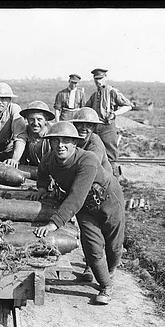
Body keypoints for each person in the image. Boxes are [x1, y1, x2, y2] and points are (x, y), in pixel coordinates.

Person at [32, 121, 125, 305]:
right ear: (50, 143)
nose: (61, 145)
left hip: (110, 201)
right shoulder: (49, 159)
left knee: (114, 246)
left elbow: (76, 195)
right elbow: (42, 172)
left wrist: (54, 223)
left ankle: (111, 270)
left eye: (66, 140)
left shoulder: (88, 159)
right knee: (92, 247)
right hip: (85, 208)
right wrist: (42, 187)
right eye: (56, 140)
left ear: (75, 143)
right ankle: (106, 285)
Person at [70, 107, 113, 283]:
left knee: (103, 231)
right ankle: (90, 264)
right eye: (81, 124)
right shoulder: (75, 141)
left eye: (89, 125)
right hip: (86, 190)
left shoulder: (95, 144)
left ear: (94, 128)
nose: (84, 128)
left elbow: (87, 169)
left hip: (101, 190)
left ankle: (106, 272)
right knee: (87, 231)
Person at [85, 68, 133, 176]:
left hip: (107, 127)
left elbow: (128, 106)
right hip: (95, 128)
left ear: (105, 78)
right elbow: (86, 109)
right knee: (95, 153)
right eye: (96, 79)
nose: (98, 81)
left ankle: (114, 181)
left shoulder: (112, 92)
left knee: (111, 156)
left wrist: (115, 113)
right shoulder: (94, 95)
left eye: (100, 78)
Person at [19, 100, 55, 166]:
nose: (35, 123)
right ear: (27, 120)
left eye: (39, 119)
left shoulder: (53, 134)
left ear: (46, 120)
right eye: (32, 119)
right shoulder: (24, 132)